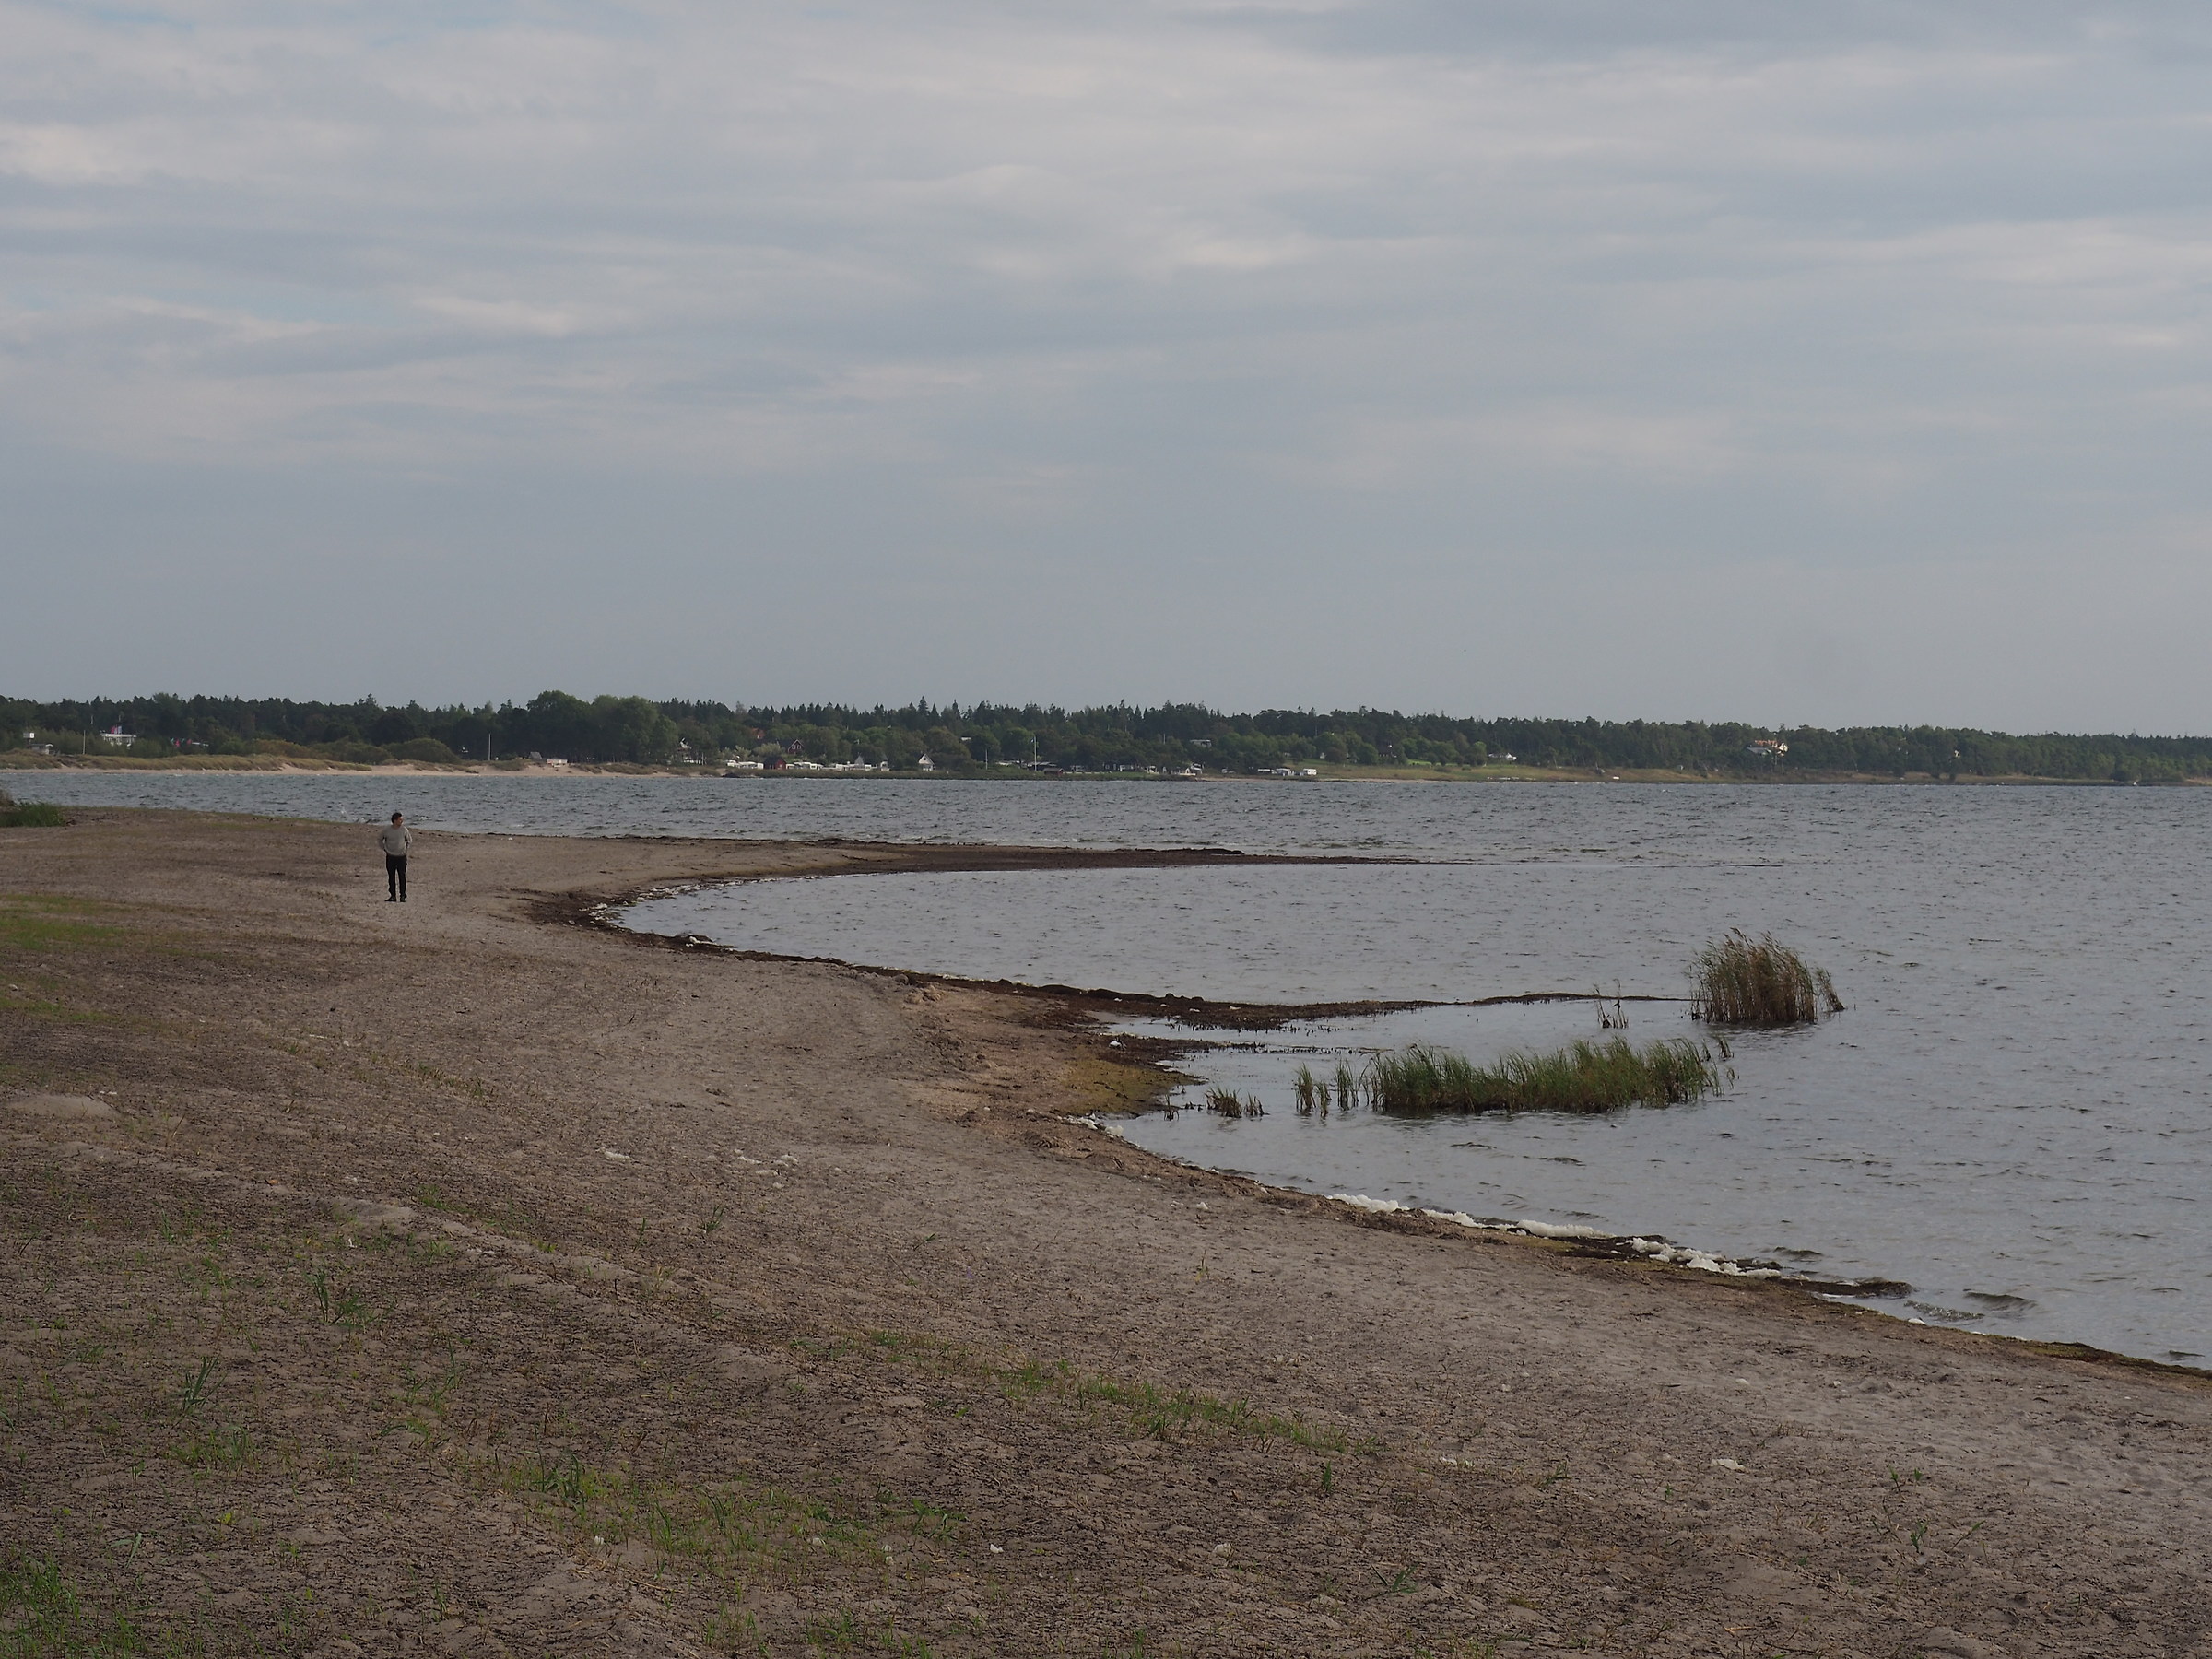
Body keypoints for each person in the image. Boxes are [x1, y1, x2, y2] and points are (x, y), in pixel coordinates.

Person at [377, 811, 413, 902]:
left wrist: (406, 849)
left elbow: (409, 840)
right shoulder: (387, 830)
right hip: (391, 856)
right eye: (400, 820)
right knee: (391, 876)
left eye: (402, 820)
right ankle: (393, 895)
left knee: (402, 876)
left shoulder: (404, 830)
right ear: (395, 820)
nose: (401, 821)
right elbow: (380, 839)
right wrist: (384, 848)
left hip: (401, 856)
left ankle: (403, 896)